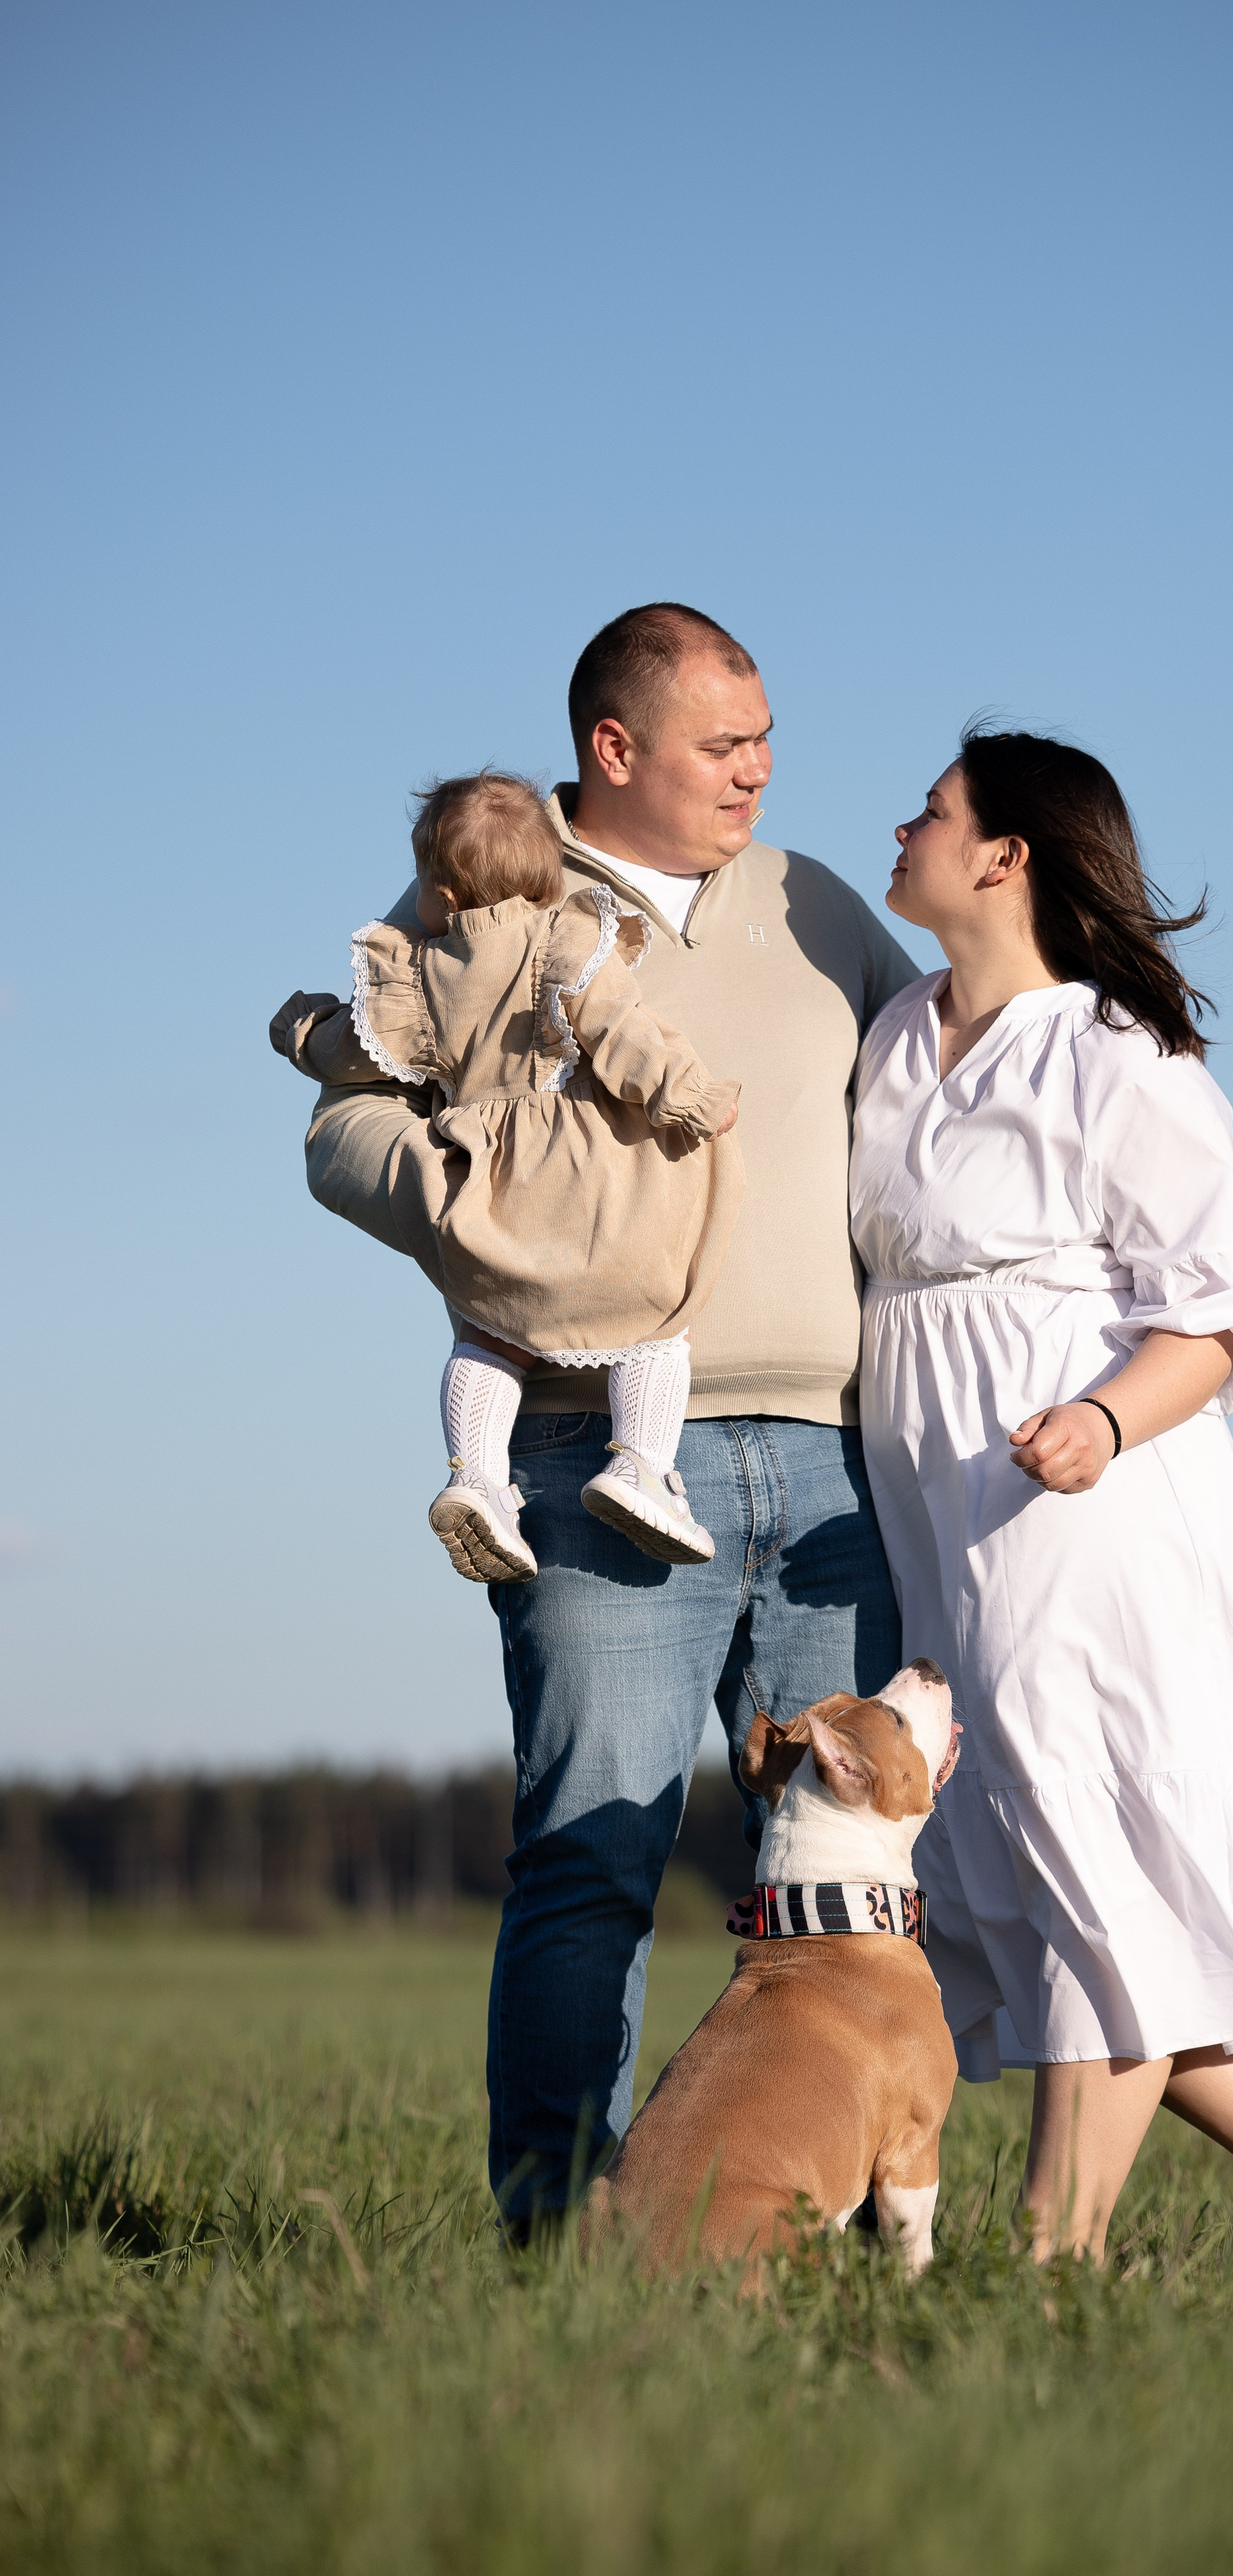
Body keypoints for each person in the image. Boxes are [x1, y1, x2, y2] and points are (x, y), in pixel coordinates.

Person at [294, 605, 920, 2227]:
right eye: (724, 744)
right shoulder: (477, 893)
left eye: (767, 736)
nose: (758, 770)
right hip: (594, 1462)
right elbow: (343, 1126)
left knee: (857, 1904)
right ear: (612, 750)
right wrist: (468, 1197)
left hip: (833, 1462)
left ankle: (835, 2243)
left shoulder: (814, 902)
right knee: (589, 1863)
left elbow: (944, 1084)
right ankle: (557, 2252)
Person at [852, 726, 1233, 2261]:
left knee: (1086, 1857)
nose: (900, 829)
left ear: (1005, 856)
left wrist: (1105, 1425)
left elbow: (1231, 1310)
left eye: (931, 812)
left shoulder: (1116, 1055)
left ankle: (1049, 2268)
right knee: (1017, 1862)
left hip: (1079, 1503)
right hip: (932, 1489)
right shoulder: (892, 1034)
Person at [270, 769, 744, 1577]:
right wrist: (688, 1097)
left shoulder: (417, 974)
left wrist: (300, 1030)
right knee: (655, 1318)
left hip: (490, 1175)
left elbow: (352, 1050)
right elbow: (622, 1033)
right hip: (586, 1172)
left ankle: (480, 1480)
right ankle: (641, 1467)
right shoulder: (565, 939)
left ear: (446, 896)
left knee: (491, 1331)